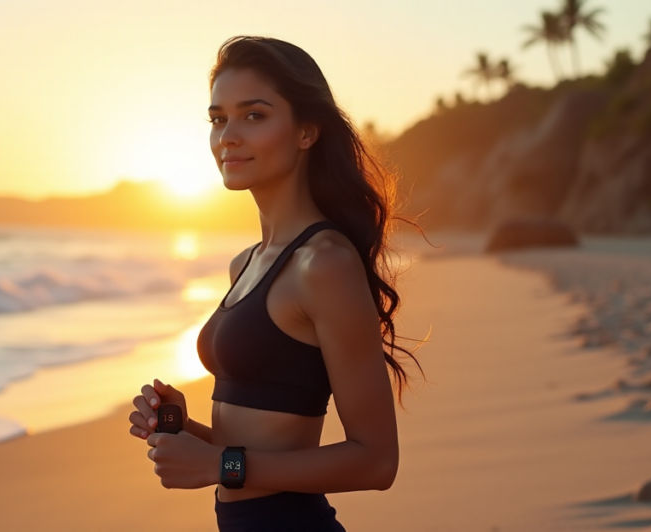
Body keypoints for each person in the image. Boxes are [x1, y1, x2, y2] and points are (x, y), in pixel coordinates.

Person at [127, 35, 426, 532]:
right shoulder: (246, 264)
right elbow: (255, 454)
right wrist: (189, 433)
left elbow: (376, 462)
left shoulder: (324, 264)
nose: (228, 136)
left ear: (307, 131)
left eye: (254, 115)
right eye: (218, 119)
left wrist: (218, 464)